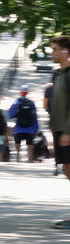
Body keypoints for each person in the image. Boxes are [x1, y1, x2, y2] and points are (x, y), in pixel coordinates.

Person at [48, 36, 70, 228]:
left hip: (68, 130)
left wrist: (67, 131)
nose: (52, 53)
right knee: (67, 170)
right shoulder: (57, 74)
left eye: (55, 49)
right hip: (59, 128)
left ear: (66, 52)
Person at [8, 84, 39, 163]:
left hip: (18, 129)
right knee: (30, 151)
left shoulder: (16, 102)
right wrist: (35, 130)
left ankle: (18, 162)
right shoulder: (31, 103)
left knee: (17, 151)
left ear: (20, 92)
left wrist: (17, 114)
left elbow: (10, 114)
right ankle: (30, 163)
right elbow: (35, 118)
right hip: (30, 129)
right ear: (27, 92)